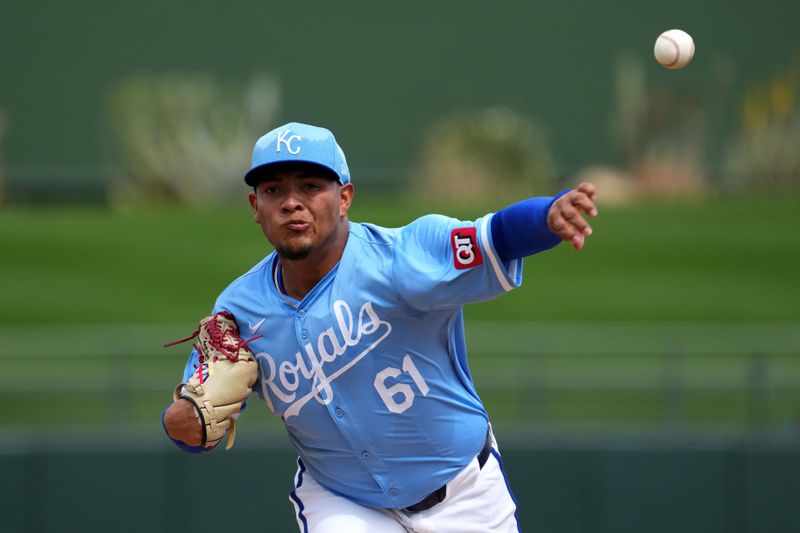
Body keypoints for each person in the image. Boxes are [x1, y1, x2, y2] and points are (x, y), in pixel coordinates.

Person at [163, 121, 597, 532]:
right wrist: (182, 423)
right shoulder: (238, 310)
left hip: (466, 493)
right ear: (256, 208)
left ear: (345, 197)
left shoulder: (402, 258)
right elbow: (194, 425)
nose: (291, 202)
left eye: (311, 187)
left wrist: (546, 217)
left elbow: (495, 235)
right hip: (342, 502)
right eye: (274, 190)